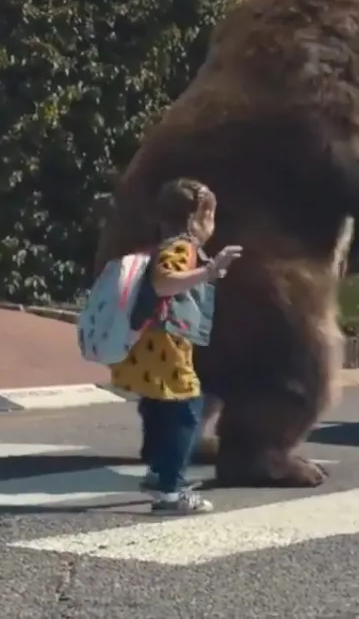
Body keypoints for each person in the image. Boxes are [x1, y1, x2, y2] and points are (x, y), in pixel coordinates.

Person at [110, 177, 242, 515]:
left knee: (160, 404)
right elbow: (164, 282)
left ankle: (158, 473)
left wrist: (208, 270)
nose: (213, 223)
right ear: (197, 216)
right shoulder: (181, 247)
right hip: (167, 341)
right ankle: (171, 492)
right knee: (186, 412)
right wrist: (209, 271)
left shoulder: (166, 242)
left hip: (154, 340)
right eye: (210, 214)